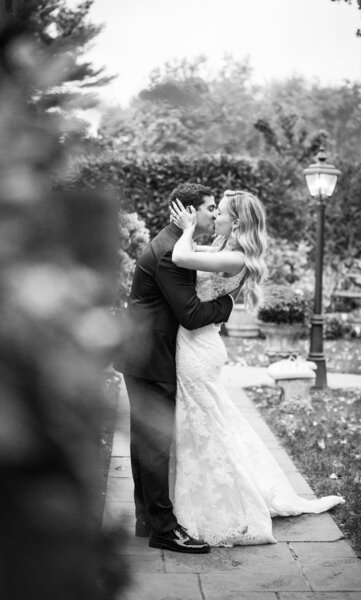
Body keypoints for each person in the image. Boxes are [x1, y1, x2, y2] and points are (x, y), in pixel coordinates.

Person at [169, 190, 344, 546]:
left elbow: (179, 256)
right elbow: (192, 258)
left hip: (198, 348)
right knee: (208, 424)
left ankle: (223, 504)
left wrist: (186, 228)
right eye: (213, 210)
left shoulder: (234, 257)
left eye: (221, 211)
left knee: (203, 428)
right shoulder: (223, 250)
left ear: (236, 222)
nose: (214, 214)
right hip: (198, 343)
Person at [119, 183, 236, 554]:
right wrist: (228, 304)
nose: (215, 214)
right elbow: (191, 315)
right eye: (210, 208)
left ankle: (146, 520)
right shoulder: (172, 253)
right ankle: (165, 530)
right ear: (188, 210)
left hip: (140, 353)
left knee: (145, 441)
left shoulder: (174, 242)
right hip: (151, 357)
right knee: (156, 444)